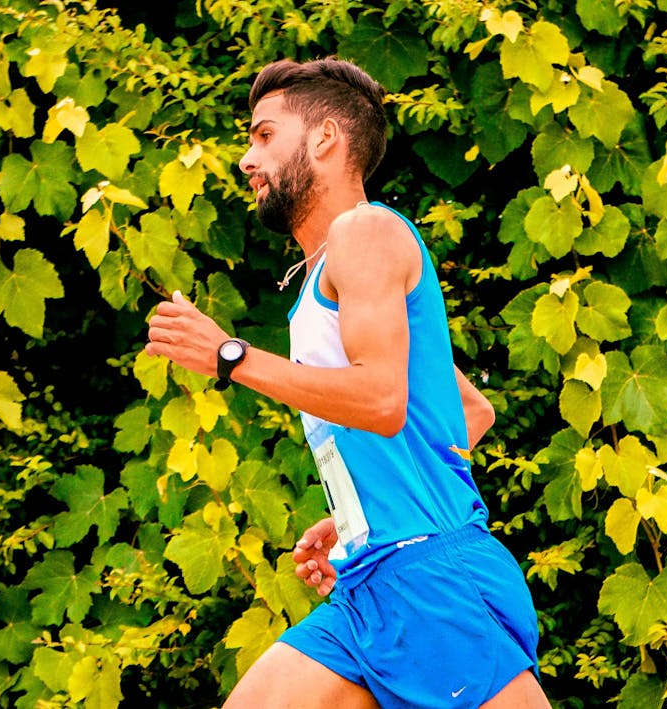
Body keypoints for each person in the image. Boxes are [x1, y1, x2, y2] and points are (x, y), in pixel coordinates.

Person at [145, 57, 552, 709]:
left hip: (429, 578)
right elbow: (469, 411)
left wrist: (228, 354)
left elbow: (384, 401)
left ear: (327, 139)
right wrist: (358, 511)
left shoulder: (365, 233)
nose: (247, 159)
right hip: (370, 577)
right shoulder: (328, 276)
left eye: (264, 135)